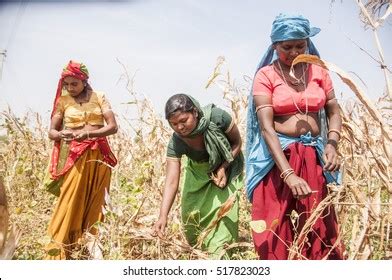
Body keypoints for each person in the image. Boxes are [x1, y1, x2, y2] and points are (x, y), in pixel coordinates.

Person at [246, 14, 344, 260]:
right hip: (276, 157)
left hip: (313, 154)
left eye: (300, 46)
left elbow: (333, 109)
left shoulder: (318, 71)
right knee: (272, 228)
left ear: (308, 43)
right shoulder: (266, 75)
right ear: (274, 46)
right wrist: (288, 173)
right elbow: (267, 128)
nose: (293, 52)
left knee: (318, 226)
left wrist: (332, 143)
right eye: (286, 47)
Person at [152, 94, 244, 258]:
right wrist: (163, 215)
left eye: (183, 120)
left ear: (194, 112)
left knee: (223, 219)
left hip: (225, 169)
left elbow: (237, 143)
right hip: (197, 175)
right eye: (173, 124)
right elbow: (172, 181)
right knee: (193, 221)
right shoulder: (177, 142)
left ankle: (222, 258)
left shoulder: (217, 117)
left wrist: (223, 166)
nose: (180, 127)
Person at [45, 60, 118, 259]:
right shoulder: (63, 101)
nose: (70, 88)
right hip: (73, 155)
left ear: (84, 81)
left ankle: (90, 248)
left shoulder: (99, 97)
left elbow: (112, 127)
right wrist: (61, 135)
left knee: (96, 199)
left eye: (74, 84)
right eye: (67, 84)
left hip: (97, 154)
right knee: (71, 197)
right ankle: (61, 248)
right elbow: (52, 132)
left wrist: (88, 136)